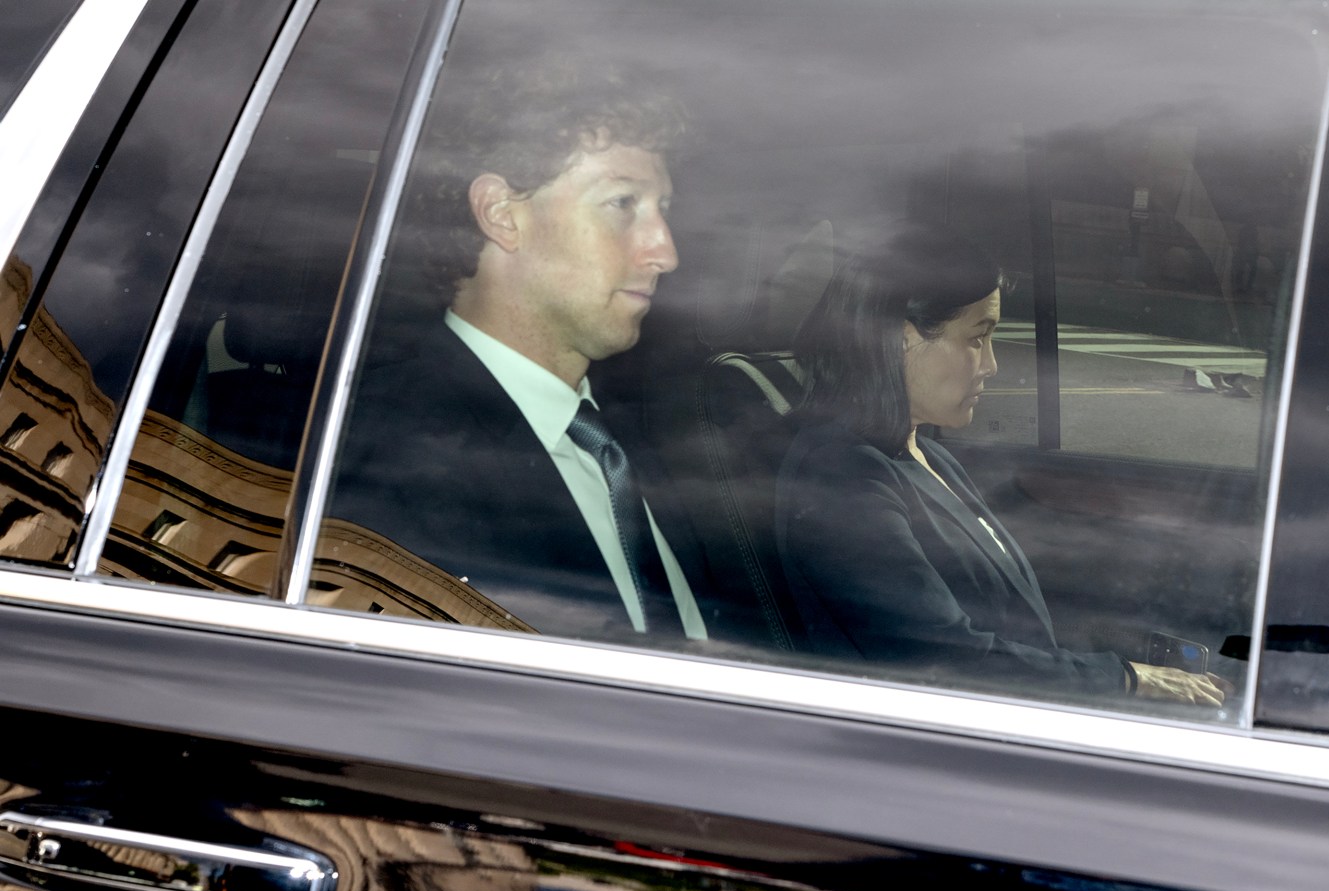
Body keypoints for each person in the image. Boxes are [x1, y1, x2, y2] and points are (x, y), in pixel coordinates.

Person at [328, 55, 709, 642]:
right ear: (502, 214)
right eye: (623, 203)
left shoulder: (653, 443)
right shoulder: (388, 463)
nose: (665, 251)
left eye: (664, 209)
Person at [775, 226, 1226, 703]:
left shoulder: (927, 458)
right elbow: (944, 657)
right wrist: (1125, 679)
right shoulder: (842, 480)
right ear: (902, 340)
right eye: (977, 339)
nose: (991, 365)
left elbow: (1008, 616)